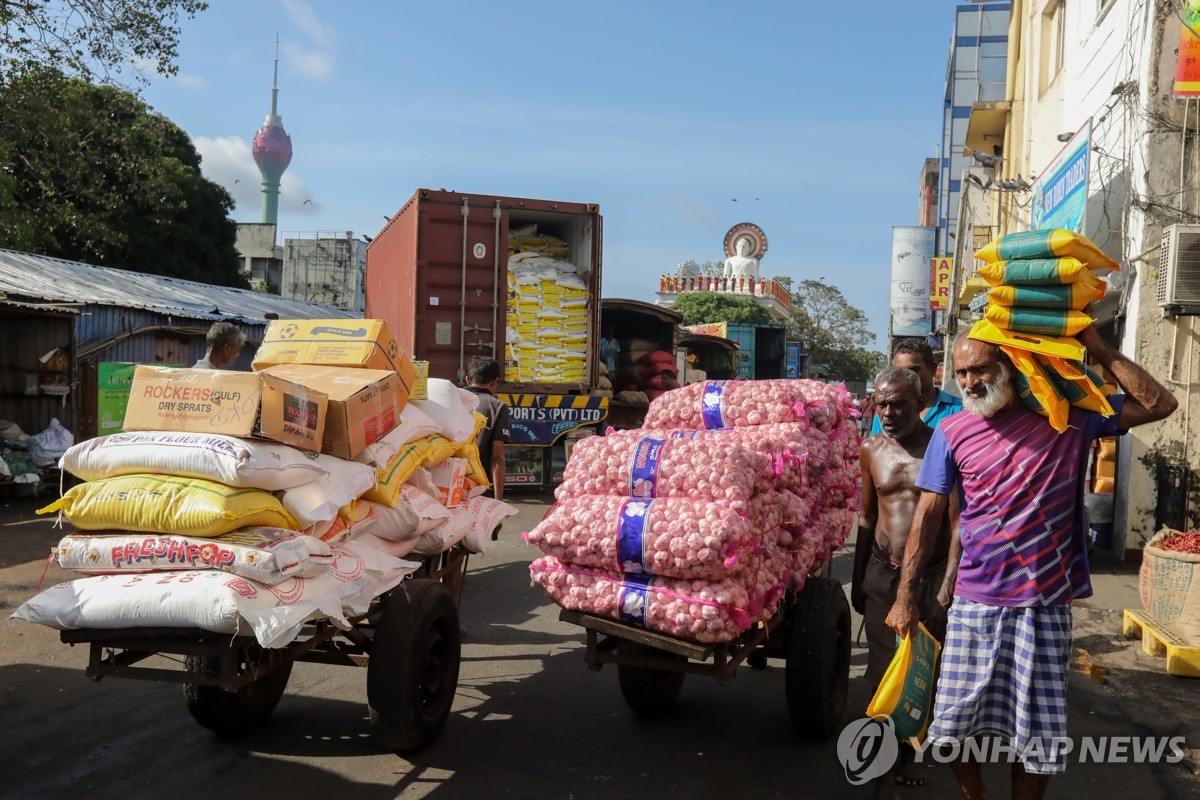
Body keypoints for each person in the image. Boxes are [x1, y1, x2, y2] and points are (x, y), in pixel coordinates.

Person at [886, 326, 1178, 797]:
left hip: (1044, 606)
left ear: (1011, 367)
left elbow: (1161, 404)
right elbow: (929, 514)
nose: (970, 382)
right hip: (975, 602)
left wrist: (1098, 346)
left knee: (1036, 736)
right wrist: (906, 596)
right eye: (961, 372)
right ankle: (976, 796)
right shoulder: (952, 431)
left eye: (980, 368)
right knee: (954, 725)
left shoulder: (1071, 420)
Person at [852, 366, 959, 798]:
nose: (890, 412)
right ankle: (882, 771)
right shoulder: (870, 449)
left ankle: (909, 753)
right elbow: (866, 517)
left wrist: (948, 582)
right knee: (881, 673)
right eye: (882, 404)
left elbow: (957, 524)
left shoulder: (942, 450)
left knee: (921, 673)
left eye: (899, 404)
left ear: (920, 404)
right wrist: (859, 578)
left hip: (929, 579)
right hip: (882, 574)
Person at [869, 339, 961, 435]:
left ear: (933, 369)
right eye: (900, 372)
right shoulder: (886, 414)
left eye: (913, 370)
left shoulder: (958, 411)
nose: (906, 378)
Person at [463, 355, 511, 501]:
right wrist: (498, 503)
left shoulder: (453, 399)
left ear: (468, 380)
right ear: (495, 382)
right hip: (478, 490)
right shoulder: (497, 407)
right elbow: (496, 459)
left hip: (446, 487)